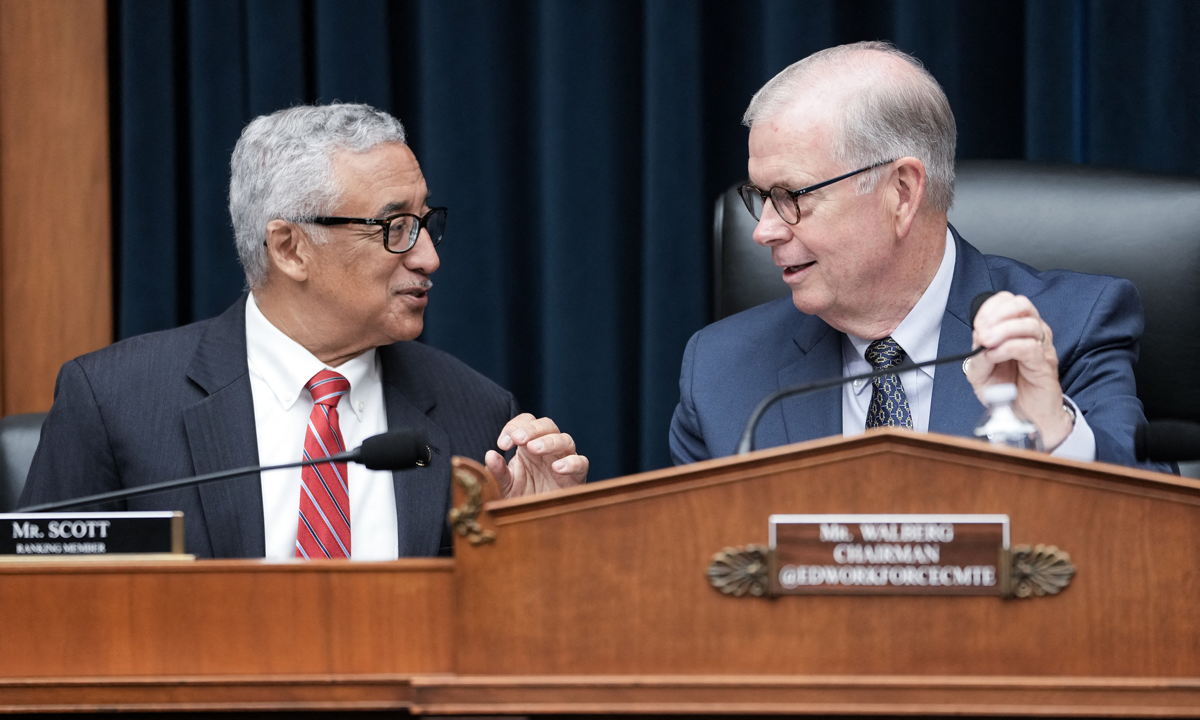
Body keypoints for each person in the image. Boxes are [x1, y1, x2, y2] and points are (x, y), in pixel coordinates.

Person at [20, 103, 589, 558]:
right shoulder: (114, 402)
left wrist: (540, 541)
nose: (428, 258)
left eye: (425, 224)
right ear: (290, 248)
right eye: (395, 227)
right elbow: (39, 615)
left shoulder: (478, 414)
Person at [670, 41, 1168, 472]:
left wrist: (1054, 430)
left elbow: (1159, 528)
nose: (763, 231)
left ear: (902, 194)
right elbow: (683, 566)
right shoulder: (720, 373)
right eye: (760, 197)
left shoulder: (1069, 328)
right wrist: (587, 527)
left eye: (792, 196)